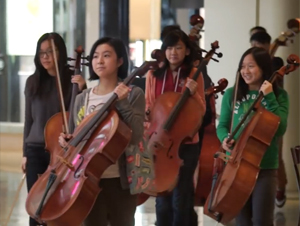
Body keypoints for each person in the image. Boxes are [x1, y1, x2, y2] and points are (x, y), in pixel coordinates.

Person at [59, 37, 148, 226]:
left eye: (106, 56)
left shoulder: (133, 94)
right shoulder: (83, 98)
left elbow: (136, 135)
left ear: (120, 61)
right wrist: (66, 140)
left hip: (120, 179)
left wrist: (122, 102)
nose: (99, 61)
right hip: (86, 179)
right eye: (96, 56)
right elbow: (75, 136)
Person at [217, 47, 289, 225]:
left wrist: (269, 97)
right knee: (241, 220)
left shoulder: (280, 96)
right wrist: (225, 138)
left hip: (265, 167)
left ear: (264, 68)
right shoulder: (231, 94)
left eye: (251, 66)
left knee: (262, 220)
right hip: (236, 166)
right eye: (242, 66)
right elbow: (223, 125)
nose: (245, 71)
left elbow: (280, 129)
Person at [21, 32, 86, 226]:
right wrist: (25, 153)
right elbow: (28, 120)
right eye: (42, 53)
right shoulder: (33, 82)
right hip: (35, 150)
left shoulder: (73, 80)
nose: (46, 57)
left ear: (61, 52)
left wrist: (83, 88)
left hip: (62, 151)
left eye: (50, 52)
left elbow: (81, 115)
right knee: (36, 206)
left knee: (59, 206)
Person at [144, 29, 206, 226]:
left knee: (181, 197)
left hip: (186, 144)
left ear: (187, 51)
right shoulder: (153, 74)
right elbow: (149, 105)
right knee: (162, 197)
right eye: (169, 47)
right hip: (160, 142)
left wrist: (193, 94)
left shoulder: (194, 75)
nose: (173, 52)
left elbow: (201, 109)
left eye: (178, 47)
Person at [250, 31, 287, 208]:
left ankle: (281, 187)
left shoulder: (277, 63)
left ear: (267, 45)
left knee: (276, 155)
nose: (256, 49)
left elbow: (277, 87)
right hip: (252, 115)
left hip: (271, 113)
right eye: (253, 45)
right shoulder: (248, 63)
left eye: (260, 46)